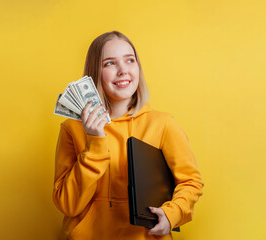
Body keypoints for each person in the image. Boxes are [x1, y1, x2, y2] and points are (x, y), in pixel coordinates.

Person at [53, 31, 204, 240]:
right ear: (94, 73)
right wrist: (95, 142)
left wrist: (172, 214)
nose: (123, 70)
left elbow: (191, 182)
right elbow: (68, 204)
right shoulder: (73, 128)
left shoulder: (163, 124)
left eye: (130, 60)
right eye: (109, 63)